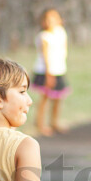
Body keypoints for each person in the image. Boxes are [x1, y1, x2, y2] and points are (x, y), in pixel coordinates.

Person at [31, 8, 70, 136]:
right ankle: (40, 124)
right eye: (47, 19)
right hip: (46, 71)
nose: (50, 22)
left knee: (58, 97)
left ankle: (54, 122)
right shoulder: (44, 37)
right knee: (45, 98)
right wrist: (49, 75)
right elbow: (46, 57)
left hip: (59, 69)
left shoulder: (60, 32)